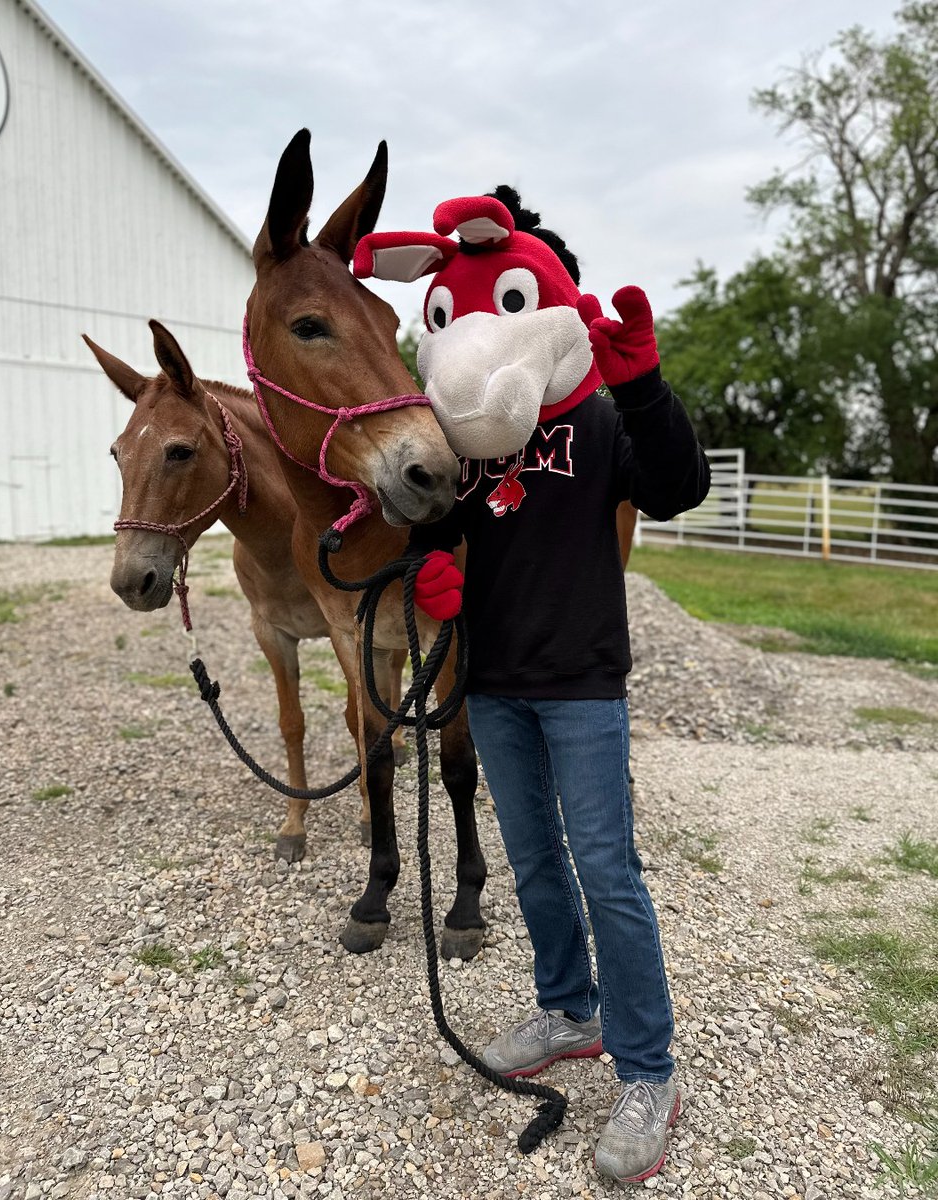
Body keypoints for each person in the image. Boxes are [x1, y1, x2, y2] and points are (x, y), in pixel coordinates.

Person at [355, 187, 710, 1184]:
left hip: (584, 682)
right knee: (534, 863)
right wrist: (432, 560)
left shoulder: (596, 422)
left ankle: (650, 1071)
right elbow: (439, 523)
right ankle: (569, 1007)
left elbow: (680, 487)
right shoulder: (467, 443)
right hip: (495, 683)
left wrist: (642, 386)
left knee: (609, 872)